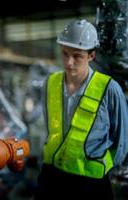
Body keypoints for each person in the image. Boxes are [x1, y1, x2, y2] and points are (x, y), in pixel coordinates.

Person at [35, 19, 128, 199]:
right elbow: (50, 129)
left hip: (90, 183)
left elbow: (122, 142)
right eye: (64, 53)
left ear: (91, 55)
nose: (69, 62)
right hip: (50, 178)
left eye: (77, 56)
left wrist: (100, 166)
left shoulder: (109, 88)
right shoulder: (50, 83)